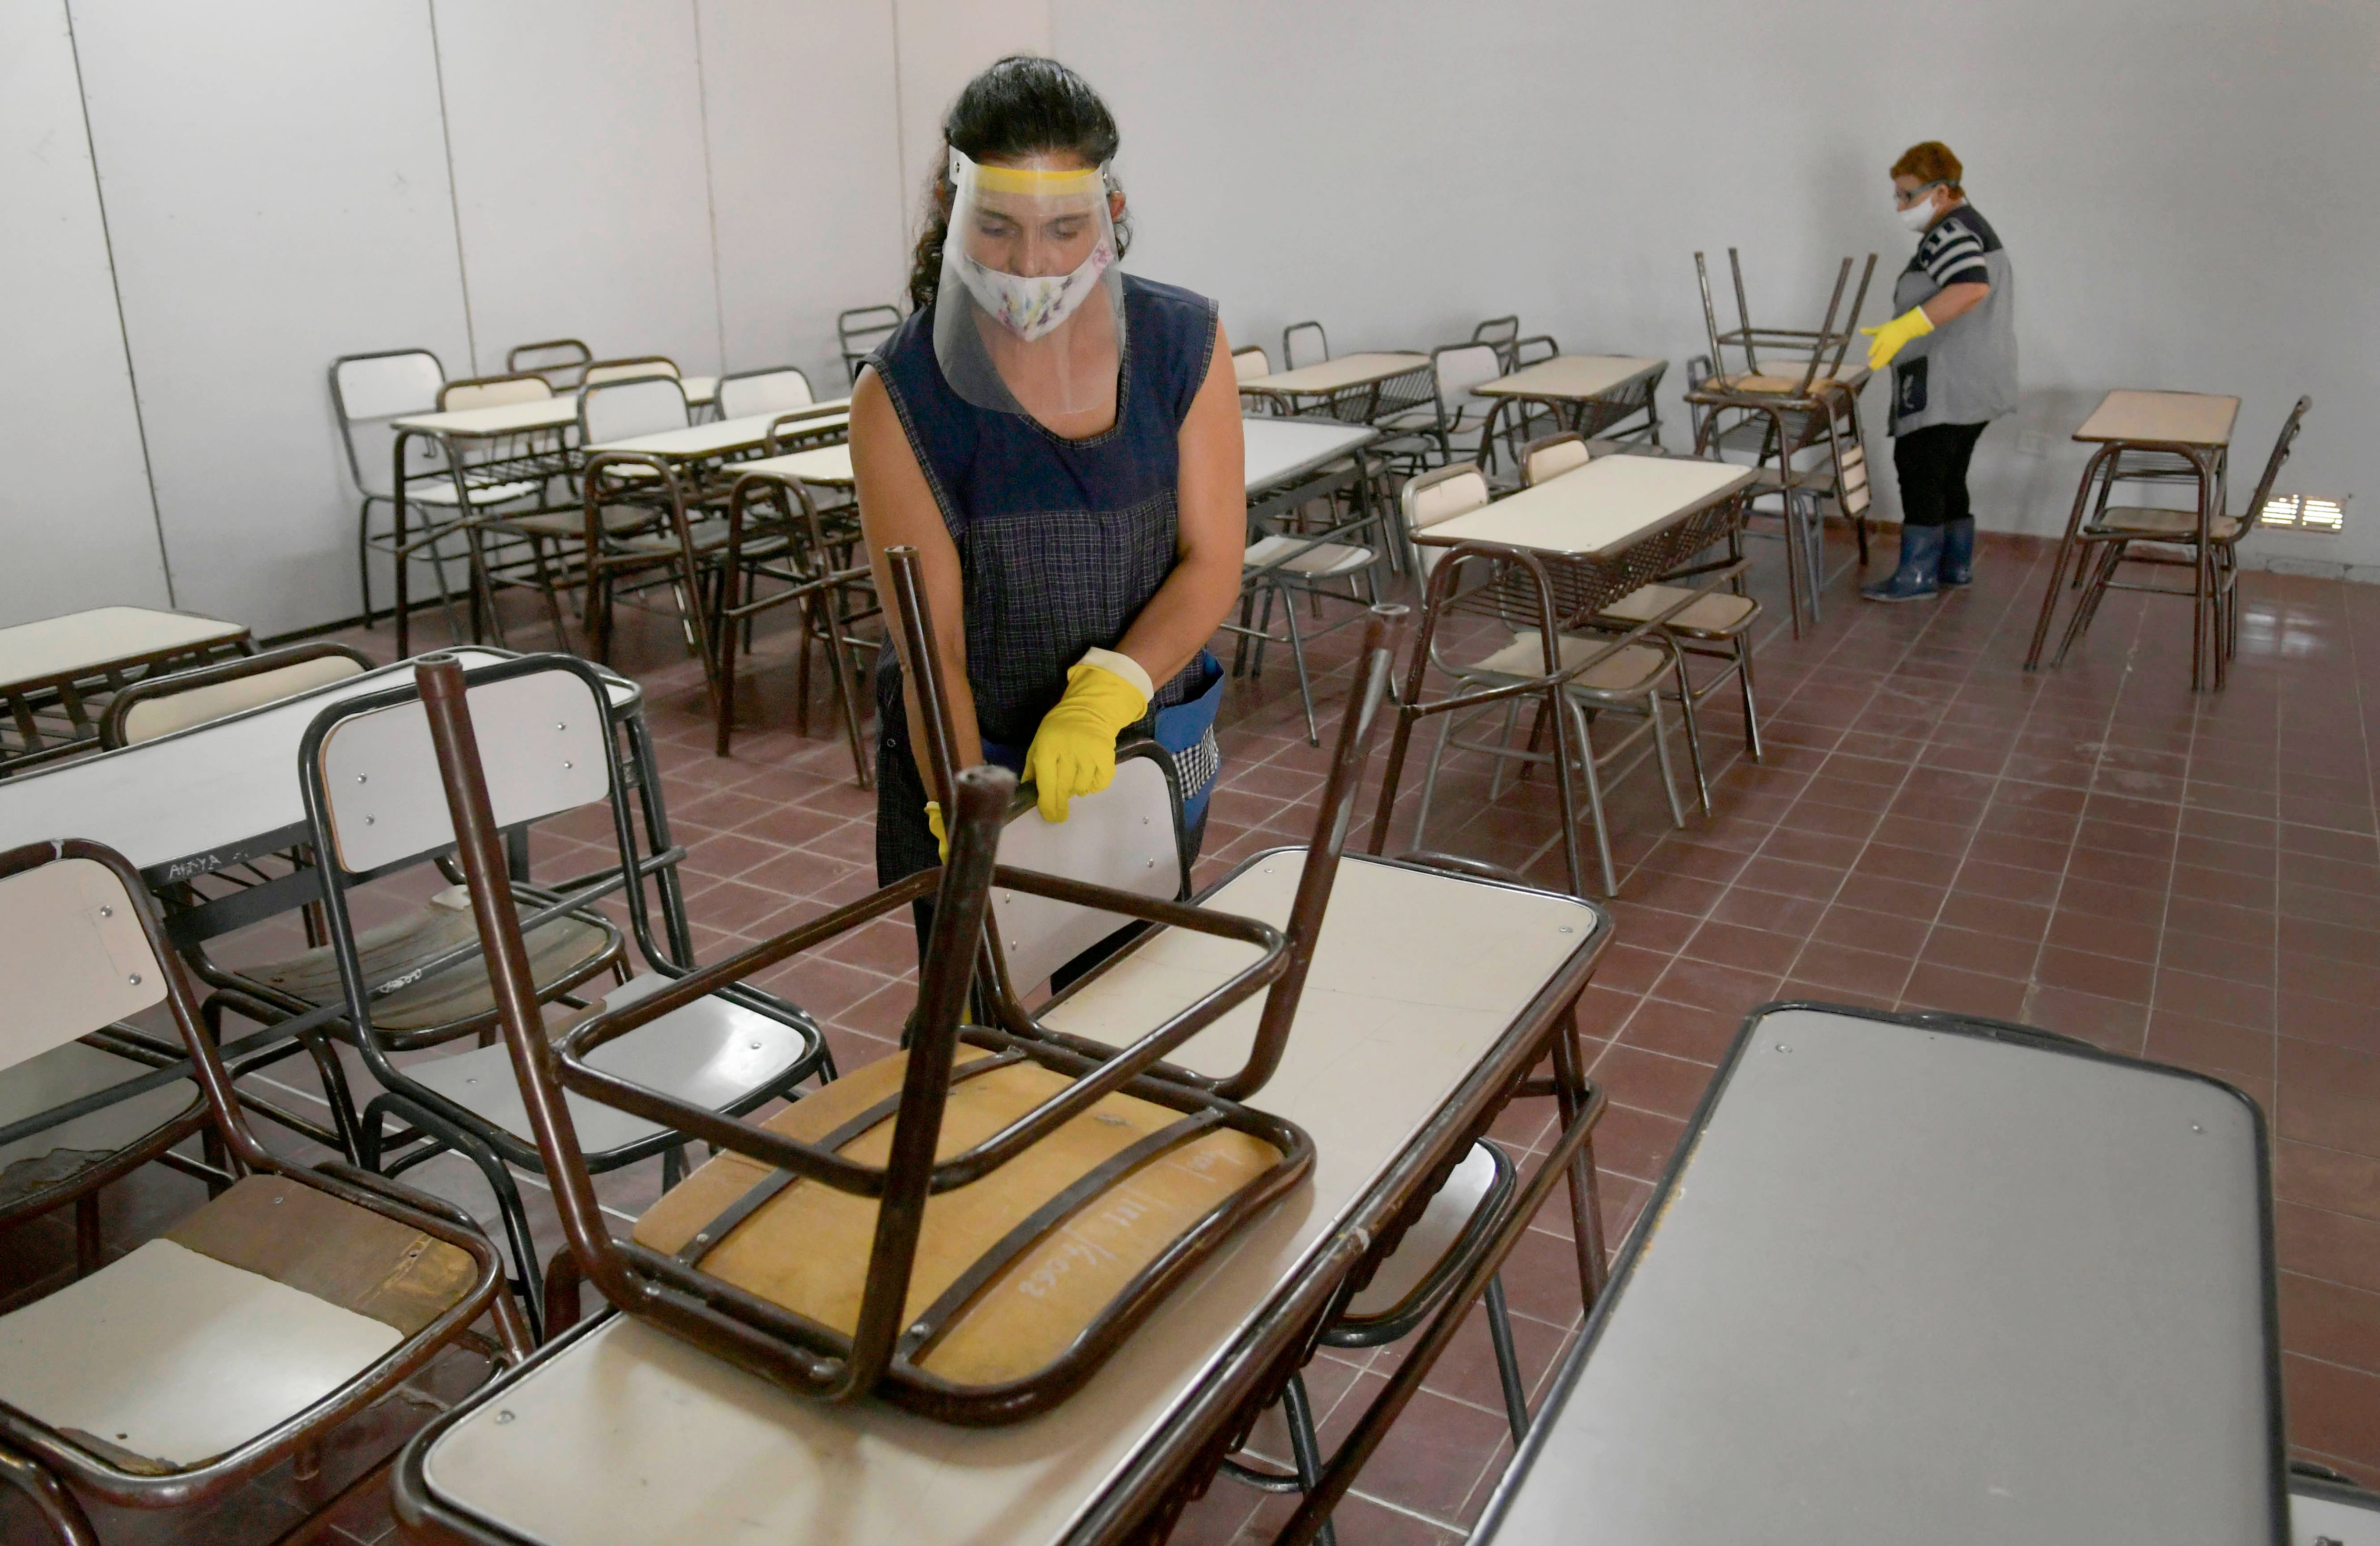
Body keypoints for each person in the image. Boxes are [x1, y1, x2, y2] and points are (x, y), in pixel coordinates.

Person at [850, 56, 1244, 949]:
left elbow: (1215, 555)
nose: (1031, 265)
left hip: (1137, 736)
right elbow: (932, 654)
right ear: (952, 212)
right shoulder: (902, 396)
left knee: (1130, 1000)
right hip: (967, 746)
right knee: (977, 1021)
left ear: (1109, 213)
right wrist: (967, 802)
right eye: (997, 228)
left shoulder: (1185, 345)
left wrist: (1110, 690)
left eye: (1064, 228)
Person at [1859, 140, 2017, 601]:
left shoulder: (1950, 231)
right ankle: (1954, 567)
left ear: (1942, 192)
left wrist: (1907, 326)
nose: (1900, 206)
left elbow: (1970, 286)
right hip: (1976, 377)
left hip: (1948, 380)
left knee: (1919, 469)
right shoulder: (1973, 226)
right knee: (1948, 474)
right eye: (1897, 196)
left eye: (1907, 195)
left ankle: (1915, 576)